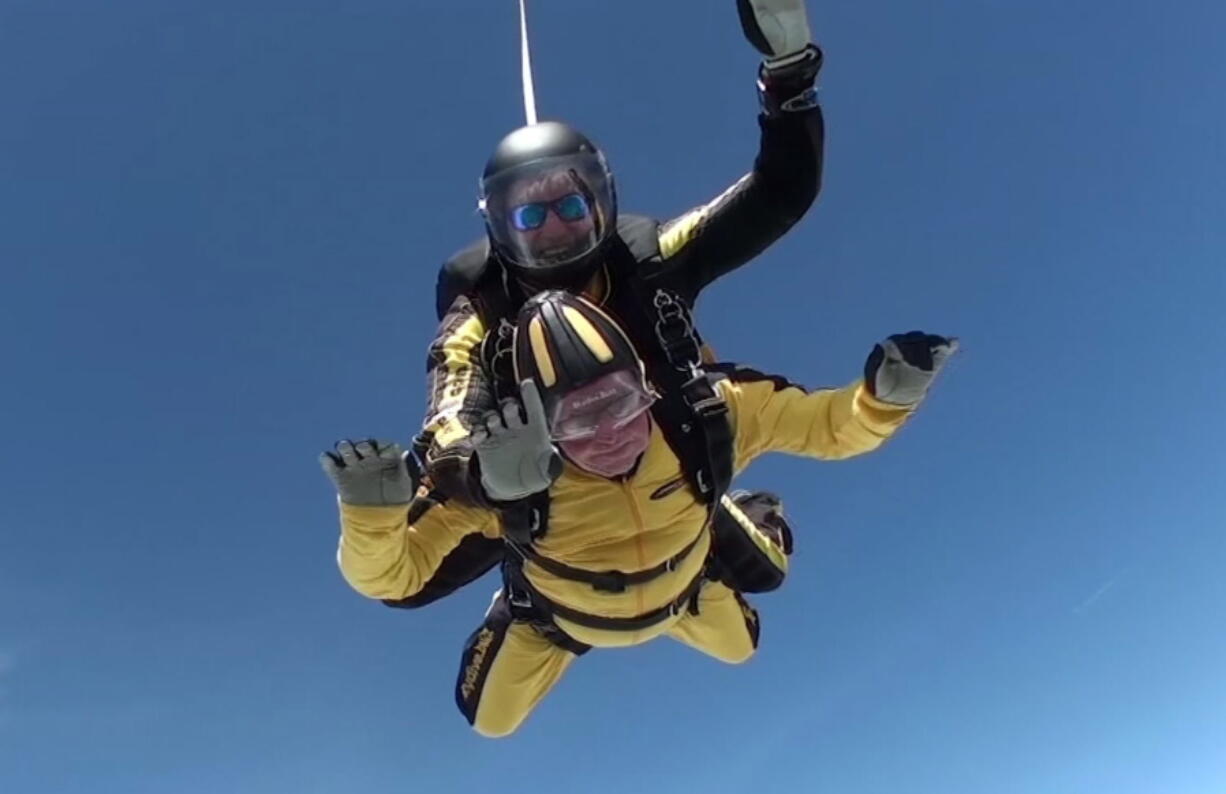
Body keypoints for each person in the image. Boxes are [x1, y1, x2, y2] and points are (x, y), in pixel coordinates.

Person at [321, 291, 957, 737]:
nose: (609, 433)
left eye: (623, 401)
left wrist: (879, 401)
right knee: (490, 722)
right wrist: (373, 514)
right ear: (541, 425)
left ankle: (726, 527)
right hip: (557, 617)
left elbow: (829, 428)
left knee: (742, 651)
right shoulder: (508, 477)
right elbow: (395, 579)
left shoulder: (708, 412)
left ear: (649, 383)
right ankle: (519, 594)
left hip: (679, 592)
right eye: (575, 419)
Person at [395, 0, 828, 604]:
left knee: (764, 575)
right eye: (528, 215)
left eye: (571, 206)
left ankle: (685, 525)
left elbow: (776, 196)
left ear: (603, 203)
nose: (553, 229)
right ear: (499, 227)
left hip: (663, 445)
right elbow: (448, 406)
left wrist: (789, 74)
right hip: (537, 476)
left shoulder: (646, 258)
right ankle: (530, 580)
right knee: (408, 585)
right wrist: (480, 474)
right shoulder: (483, 303)